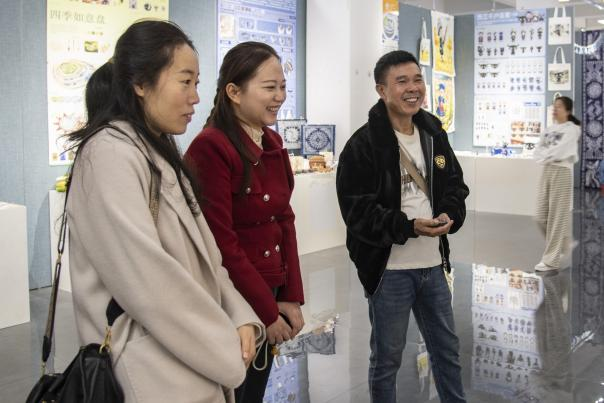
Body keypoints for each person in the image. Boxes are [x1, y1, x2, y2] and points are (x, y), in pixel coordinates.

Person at [65, 20, 264, 403]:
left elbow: (208, 261)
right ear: (141, 83)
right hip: (152, 367)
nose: (195, 97)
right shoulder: (109, 154)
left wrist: (239, 314)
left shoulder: (156, 150)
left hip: (186, 355)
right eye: (184, 81)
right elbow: (149, 283)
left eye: (197, 82)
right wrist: (223, 349)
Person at [336, 50, 468, 403]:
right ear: (382, 90)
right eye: (402, 81)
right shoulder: (363, 144)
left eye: (417, 80)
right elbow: (357, 211)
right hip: (389, 270)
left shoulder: (433, 133)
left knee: (447, 350)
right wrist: (408, 227)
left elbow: (455, 185)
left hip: (433, 266)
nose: (413, 88)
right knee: (387, 359)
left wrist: (450, 214)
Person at [185, 41, 305, 403]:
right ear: (234, 92)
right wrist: (266, 312)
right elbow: (221, 242)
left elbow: (285, 219)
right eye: (269, 87)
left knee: (255, 388)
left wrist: (291, 296)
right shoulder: (211, 146)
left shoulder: (271, 140)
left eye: (282, 87)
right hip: (234, 297)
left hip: (270, 288)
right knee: (235, 390)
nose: (279, 96)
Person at [533, 96, 581, 272]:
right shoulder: (549, 129)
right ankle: (565, 244)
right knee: (540, 217)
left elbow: (561, 151)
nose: (555, 109)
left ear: (567, 111)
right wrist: (547, 155)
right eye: (554, 106)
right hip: (547, 170)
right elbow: (538, 151)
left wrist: (547, 154)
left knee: (556, 217)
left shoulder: (572, 129)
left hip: (561, 171)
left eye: (559, 106)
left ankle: (551, 260)